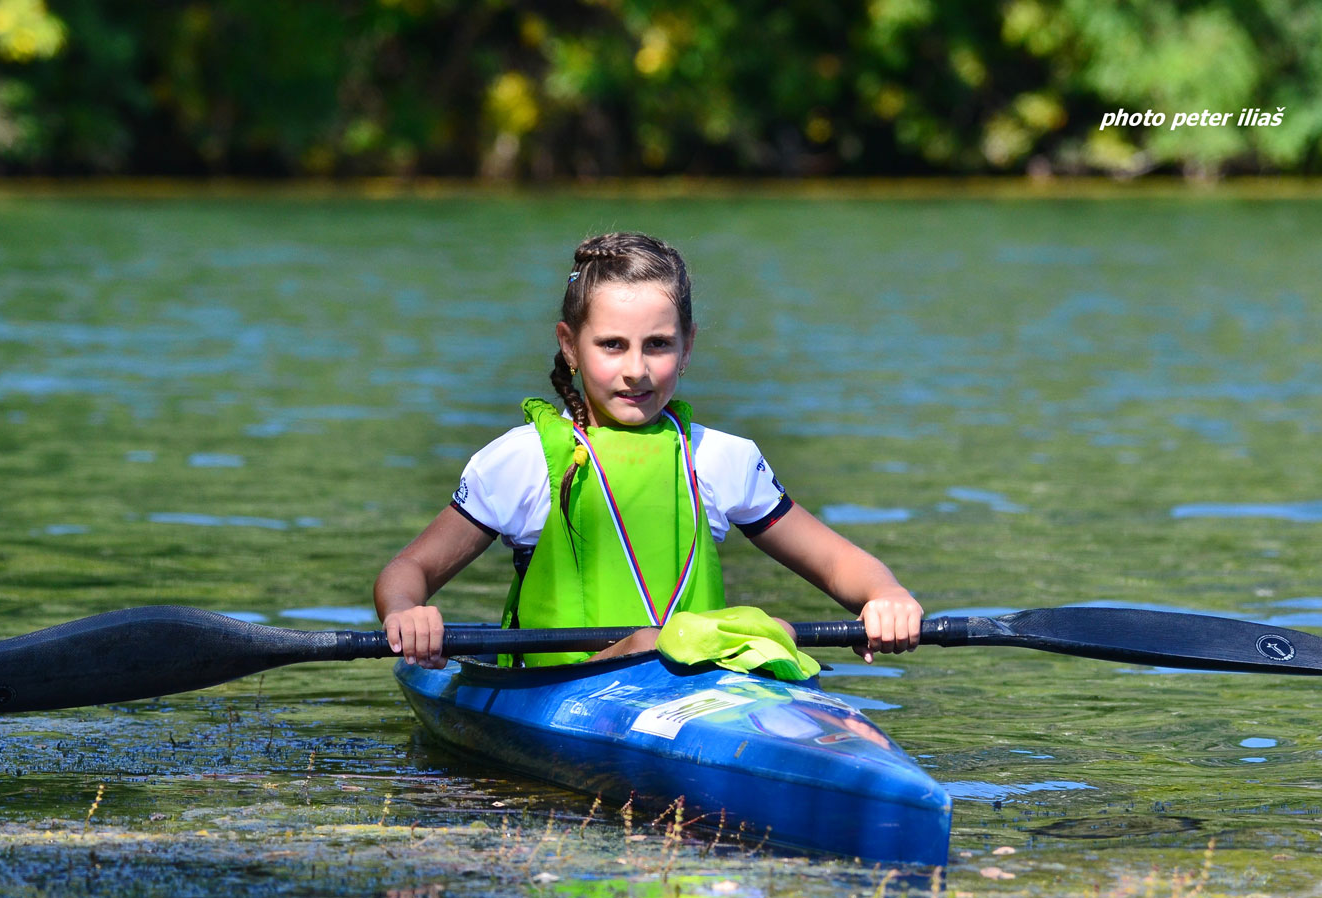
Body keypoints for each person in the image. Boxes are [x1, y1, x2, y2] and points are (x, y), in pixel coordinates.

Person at [374, 232, 923, 669]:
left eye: (658, 345)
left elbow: (837, 562)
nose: (635, 369)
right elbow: (409, 569)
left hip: (704, 685)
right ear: (569, 346)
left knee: (770, 632)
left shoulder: (720, 458)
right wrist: (406, 612)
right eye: (612, 345)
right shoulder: (521, 462)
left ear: (688, 347)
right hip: (560, 691)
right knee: (650, 643)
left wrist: (884, 594)